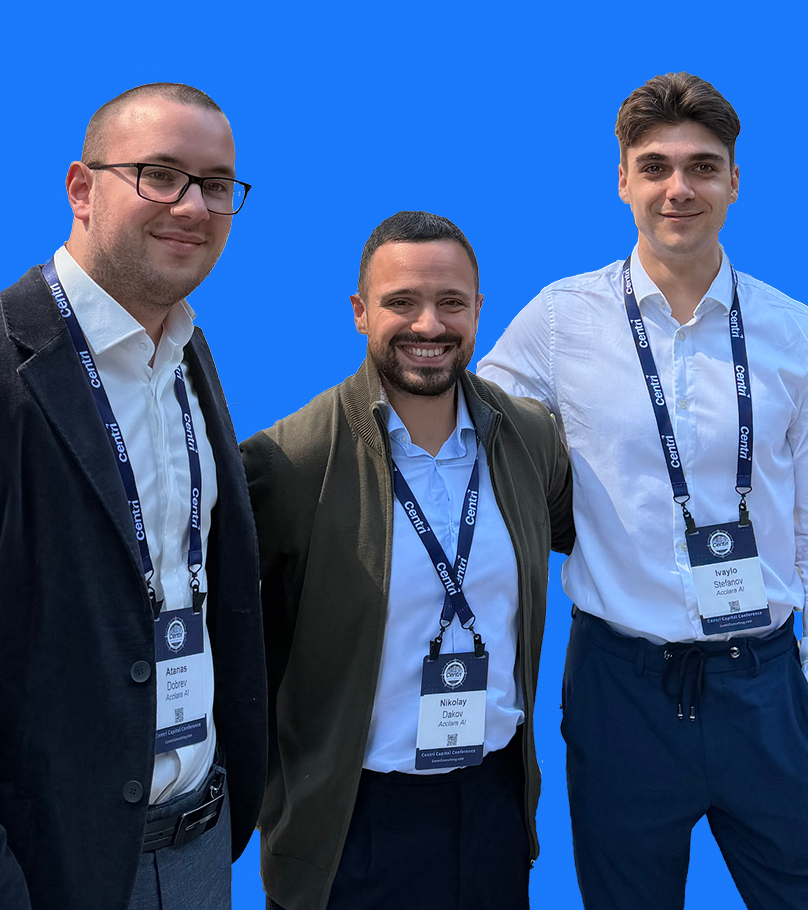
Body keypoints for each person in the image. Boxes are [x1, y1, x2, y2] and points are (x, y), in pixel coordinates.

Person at [478, 72, 808, 910]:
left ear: (735, 181)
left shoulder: (792, 331)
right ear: (623, 180)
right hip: (621, 689)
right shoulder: (560, 321)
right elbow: (475, 445)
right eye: (655, 166)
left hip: (766, 685)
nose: (678, 188)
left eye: (703, 167)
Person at [240, 211, 574, 910]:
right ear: (360, 312)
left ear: (478, 310)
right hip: (351, 828)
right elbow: (240, 653)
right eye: (401, 302)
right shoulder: (288, 462)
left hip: (494, 810)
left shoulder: (530, 439)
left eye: (451, 302)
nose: (429, 325)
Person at [0, 84, 267, 910]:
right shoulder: (12, 363)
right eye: (160, 174)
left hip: (200, 844)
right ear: (82, 189)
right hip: (52, 866)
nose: (192, 206)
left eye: (215, 184)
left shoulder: (187, 352)